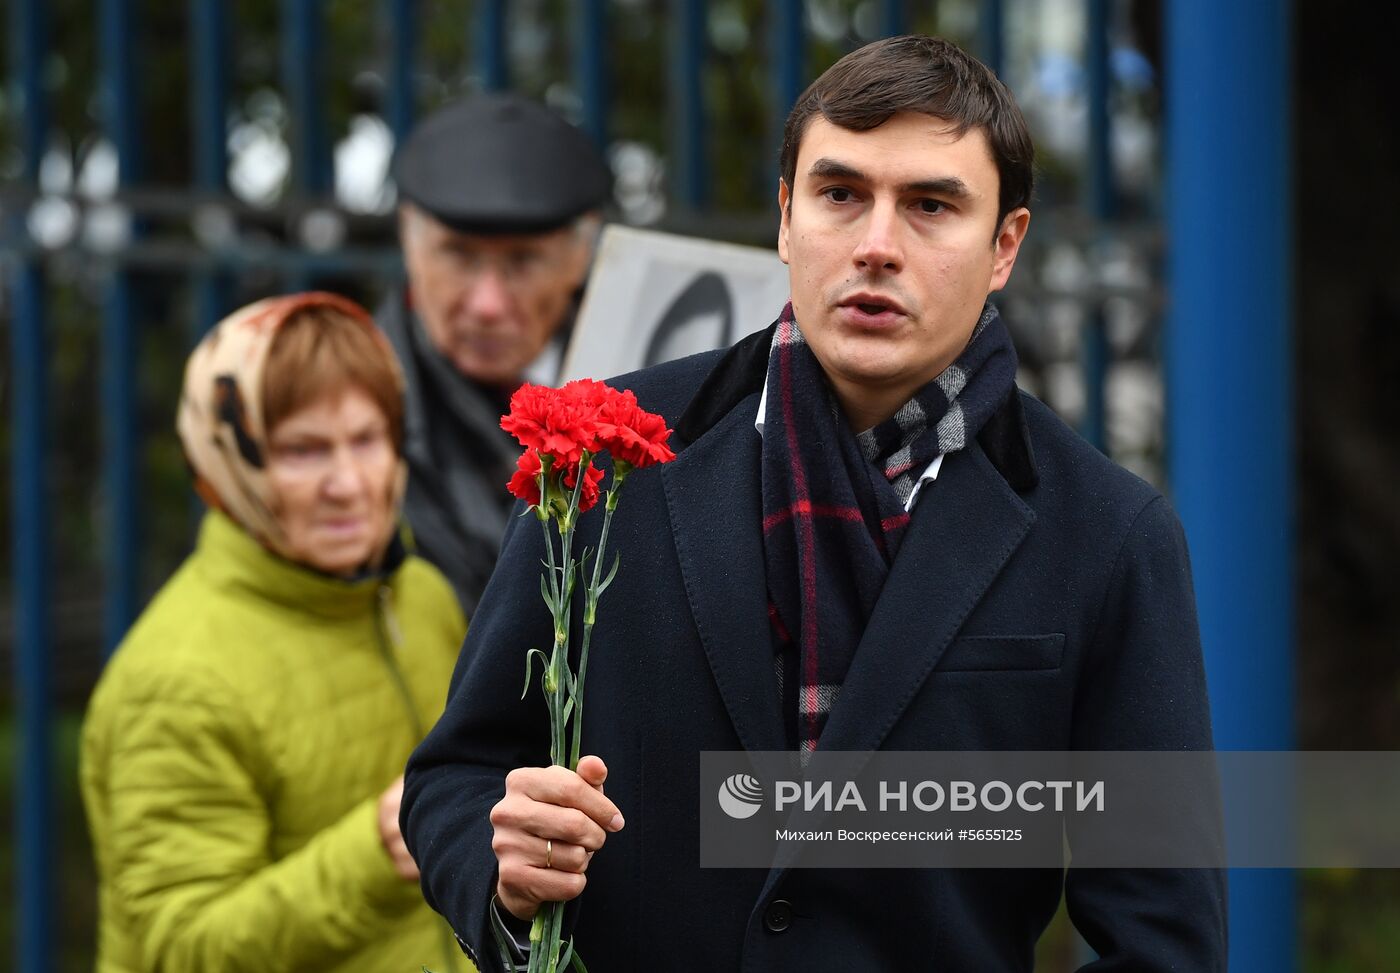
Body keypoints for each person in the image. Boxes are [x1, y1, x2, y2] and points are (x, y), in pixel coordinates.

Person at [402, 35, 1226, 971]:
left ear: (1005, 246)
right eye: (841, 195)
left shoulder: (1109, 534)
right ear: (788, 217)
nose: (877, 245)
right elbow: (456, 776)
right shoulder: (609, 449)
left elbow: (1162, 938)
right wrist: (506, 872)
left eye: (930, 205)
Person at [80, 293, 470, 972]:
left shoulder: (420, 593)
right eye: (302, 451)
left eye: (367, 438)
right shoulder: (175, 680)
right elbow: (179, 948)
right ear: (227, 464)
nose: (348, 483)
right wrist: (374, 855)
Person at [379, 93, 612, 615]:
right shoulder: (352, 405)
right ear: (409, 243)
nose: (487, 303)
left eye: (523, 262)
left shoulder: (644, 381)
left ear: (581, 256)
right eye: (458, 255)